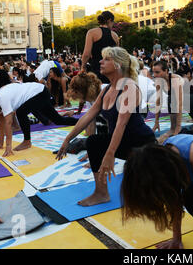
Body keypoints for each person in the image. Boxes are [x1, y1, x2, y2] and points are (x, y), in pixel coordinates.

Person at [56, 47, 156, 206]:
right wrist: (67, 139)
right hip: (124, 142)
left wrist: (110, 154)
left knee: (150, 191)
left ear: (117, 64)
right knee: (93, 141)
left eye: (106, 59)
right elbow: (88, 116)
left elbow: (121, 124)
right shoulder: (107, 89)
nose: (100, 61)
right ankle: (101, 193)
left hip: (142, 145)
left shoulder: (129, 87)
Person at [0, 82, 78, 157]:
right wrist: (0, 143)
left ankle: (27, 141)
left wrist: (8, 147)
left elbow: (8, 123)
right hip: (39, 92)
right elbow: (1, 122)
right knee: (58, 120)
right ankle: (82, 122)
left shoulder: (2, 98)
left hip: (39, 93)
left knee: (20, 112)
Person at [81, 11, 119, 83]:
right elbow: (117, 56)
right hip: (111, 72)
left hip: (96, 69)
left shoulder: (92, 32)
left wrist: (83, 67)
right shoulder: (115, 36)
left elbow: (87, 54)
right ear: (110, 20)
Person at [152, 61, 184, 144]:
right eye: (153, 72)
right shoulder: (158, 81)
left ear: (166, 71)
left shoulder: (175, 80)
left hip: (192, 97)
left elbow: (179, 104)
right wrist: (156, 122)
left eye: (157, 72)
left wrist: (178, 127)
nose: (154, 75)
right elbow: (158, 101)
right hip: (174, 100)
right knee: (172, 129)